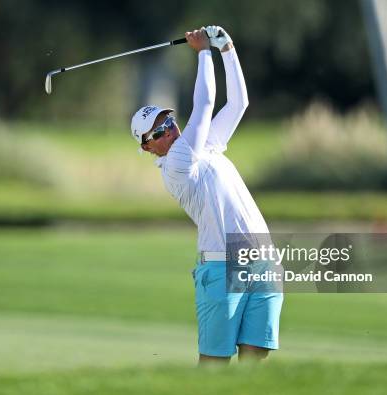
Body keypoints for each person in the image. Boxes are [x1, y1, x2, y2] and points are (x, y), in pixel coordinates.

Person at [130, 26, 283, 364]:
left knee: (256, 364)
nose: (169, 129)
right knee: (214, 367)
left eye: (168, 122)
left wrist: (227, 49)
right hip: (221, 266)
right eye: (158, 131)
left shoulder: (207, 147)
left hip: (263, 261)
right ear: (148, 146)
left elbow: (239, 102)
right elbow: (205, 105)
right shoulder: (176, 166)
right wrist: (202, 52)